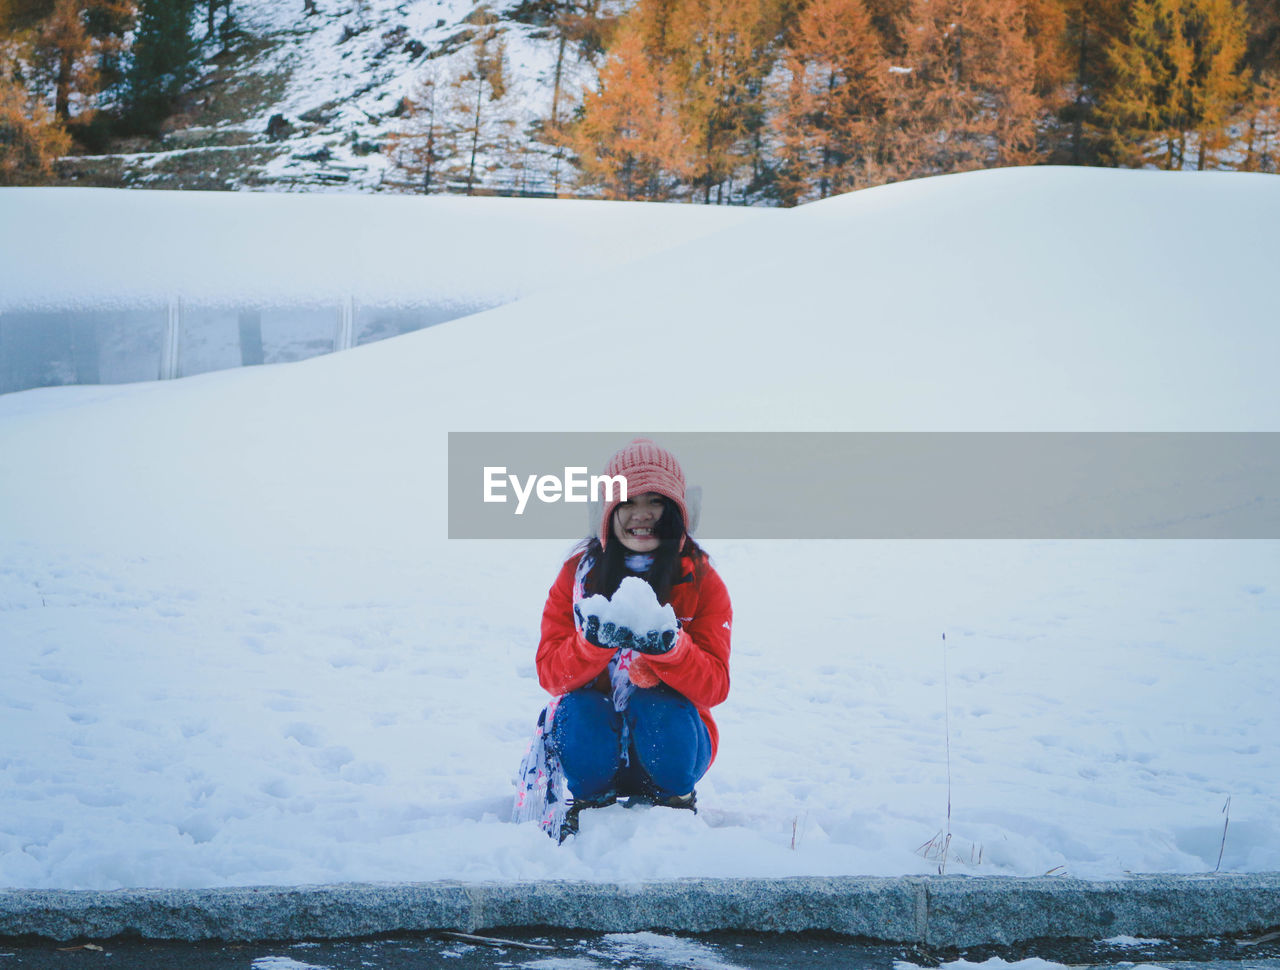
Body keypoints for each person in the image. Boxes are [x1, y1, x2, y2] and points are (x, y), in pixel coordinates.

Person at [512, 438, 732, 842]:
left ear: (677, 511)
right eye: (627, 501)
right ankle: (591, 809)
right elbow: (550, 675)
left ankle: (676, 806)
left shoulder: (701, 579)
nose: (641, 514)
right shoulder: (577, 577)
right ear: (607, 512)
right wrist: (592, 645)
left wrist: (672, 649)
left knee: (659, 706)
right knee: (578, 708)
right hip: (594, 751)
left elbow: (715, 686)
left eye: (656, 501)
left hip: (672, 751)